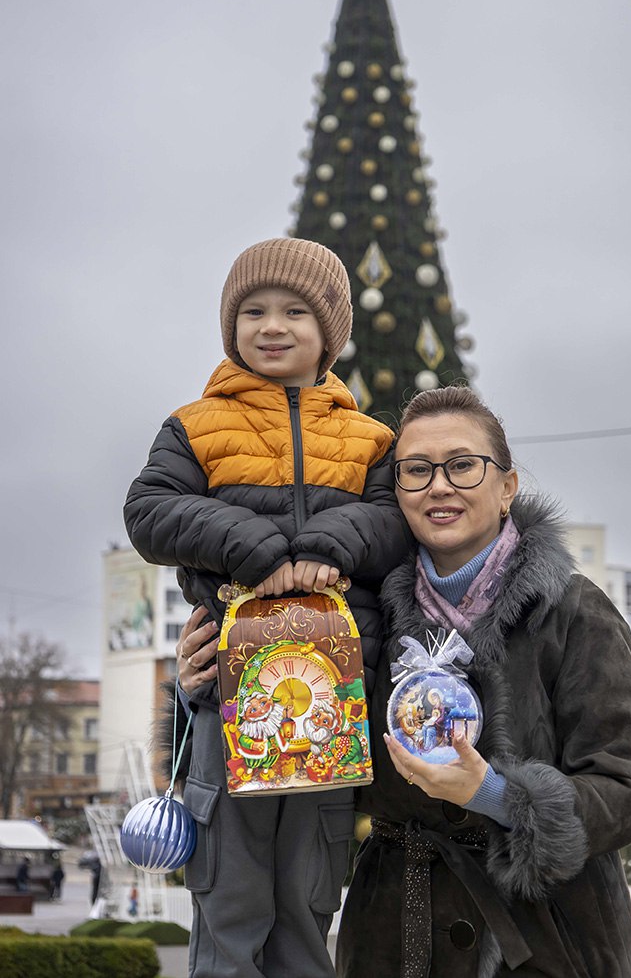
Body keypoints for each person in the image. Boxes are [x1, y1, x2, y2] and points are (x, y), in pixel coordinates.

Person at [124, 237, 410, 978]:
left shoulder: (372, 441)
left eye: (294, 312)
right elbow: (149, 511)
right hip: (231, 696)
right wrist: (257, 549)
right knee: (231, 897)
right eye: (253, 311)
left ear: (329, 331)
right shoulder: (194, 426)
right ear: (231, 327)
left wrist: (328, 545)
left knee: (308, 899)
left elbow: (393, 522)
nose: (272, 326)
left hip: (334, 702)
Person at [336, 385, 631, 978]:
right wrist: (203, 687)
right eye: (416, 470)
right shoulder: (362, 614)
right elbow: (306, 749)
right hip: (392, 937)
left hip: (548, 940)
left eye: (462, 465)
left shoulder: (574, 612)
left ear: (507, 487)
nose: (439, 486)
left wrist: (497, 796)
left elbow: (627, 795)